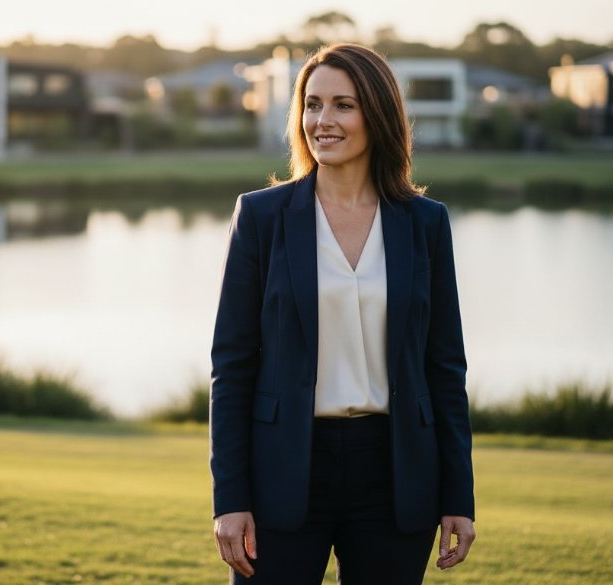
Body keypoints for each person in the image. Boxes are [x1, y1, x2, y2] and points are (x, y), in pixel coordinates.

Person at [209, 43, 475, 585]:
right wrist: (229, 498)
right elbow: (232, 366)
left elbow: (445, 368)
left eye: (342, 105)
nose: (322, 121)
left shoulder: (425, 223)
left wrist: (458, 496)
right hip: (282, 468)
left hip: (396, 473)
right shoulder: (261, 217)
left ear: (377, 114)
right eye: (311, 104)